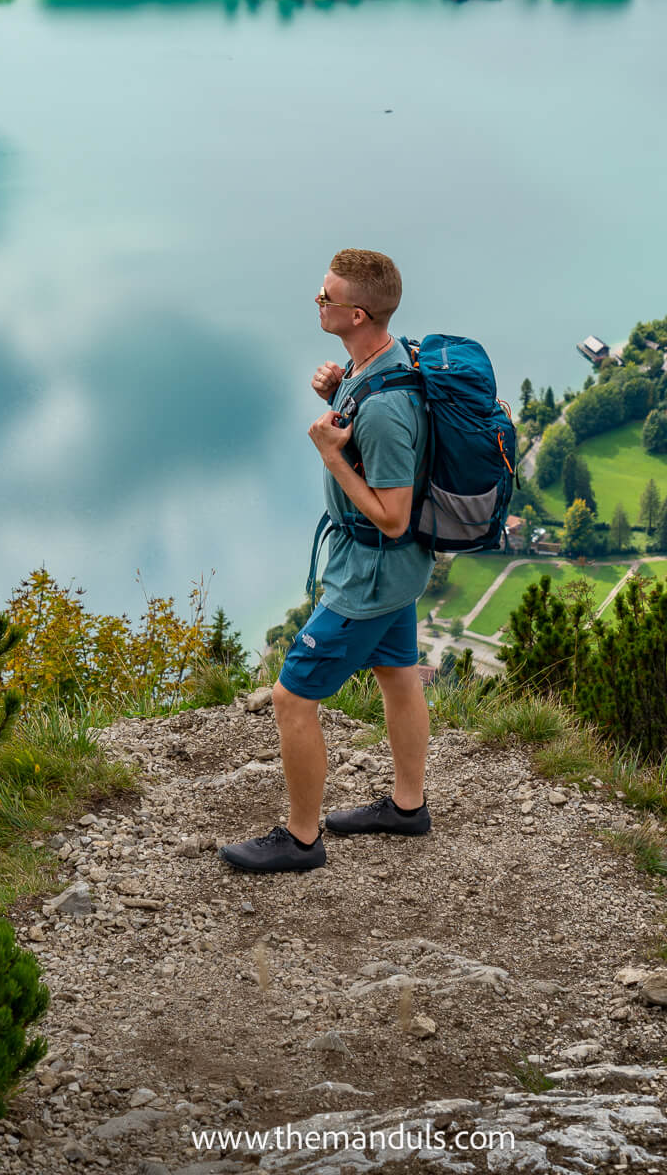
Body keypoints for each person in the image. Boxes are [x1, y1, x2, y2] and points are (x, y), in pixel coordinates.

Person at [219, 248, 433, 874]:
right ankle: (406, 807)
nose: (317, 302)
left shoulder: (389, 405)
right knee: (398, 676)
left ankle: (302, 839)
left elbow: (393, 513)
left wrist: (329, 455)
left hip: (368, 573)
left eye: (326, 296)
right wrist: (342, 389)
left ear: (357, 311)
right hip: (393, 570)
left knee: (291, 699)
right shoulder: (379, 363)